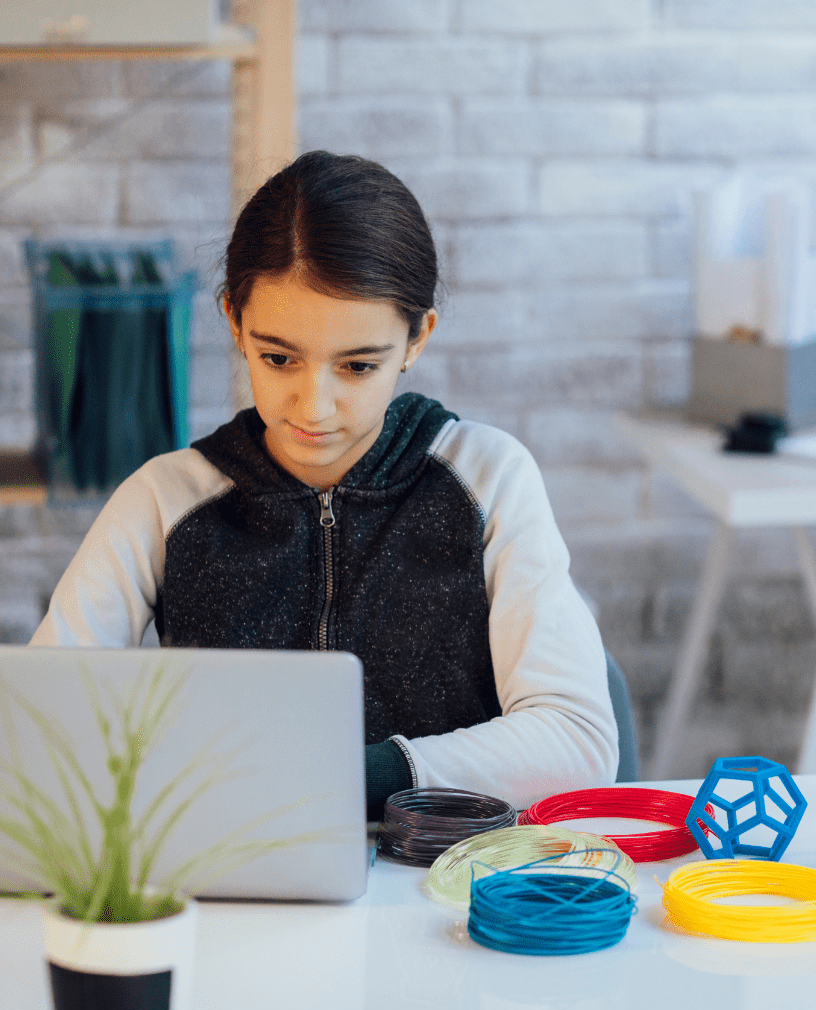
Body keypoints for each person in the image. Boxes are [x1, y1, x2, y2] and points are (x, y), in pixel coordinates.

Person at [30, 151, 618, 816]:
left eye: (359, 366)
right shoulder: (162, 500)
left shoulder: (489, 478)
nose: (313, 407)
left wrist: (341, 777)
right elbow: (42, 721)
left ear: (418, 336)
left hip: (441, 887)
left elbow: (579, 742)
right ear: (234, 321)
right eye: (278, 358)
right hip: (231, 880)